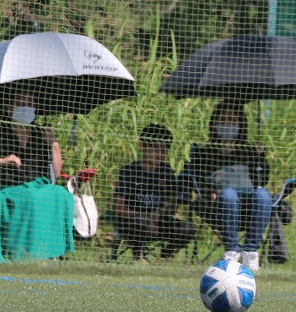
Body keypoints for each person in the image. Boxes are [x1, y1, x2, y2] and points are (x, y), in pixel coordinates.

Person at [0, 89, 73, 261]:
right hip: (7, 186)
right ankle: (23, 253)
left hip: (38, 186)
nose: (26, 107)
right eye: (21, 103)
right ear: (9, 108)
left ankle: (51, 250)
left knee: (62, 194)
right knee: (31, 198)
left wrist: (53, 144)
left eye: (30, 103)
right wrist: (2, 160)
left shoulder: (39, 132)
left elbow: (56, 172)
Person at [182, 101, 271, 273]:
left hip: (248, 209)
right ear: (214, 123)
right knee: (229, 194)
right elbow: (197, 179)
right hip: (217, 206)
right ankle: (232, 250)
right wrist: (209, 191)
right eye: (222, 120)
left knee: (263, 195)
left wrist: (260, 157)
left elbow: (262, 180)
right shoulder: (205, 152)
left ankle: (251, 252)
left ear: (240, 124)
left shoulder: (249, 151)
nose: (227, 124)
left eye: (232, 120)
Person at [111, 124, 194, 262]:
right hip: (133, 222)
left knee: (187, 228)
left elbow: (173, 204)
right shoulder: (128, 172)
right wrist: (142, 216)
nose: (159, 154)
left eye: (164, 150)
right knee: (140, 222)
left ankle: (165, 256)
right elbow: (118, 207)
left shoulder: (166, 172)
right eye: (155, 148)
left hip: (158, 220)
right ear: (142, 145)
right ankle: (138, 254)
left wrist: (157, 215)